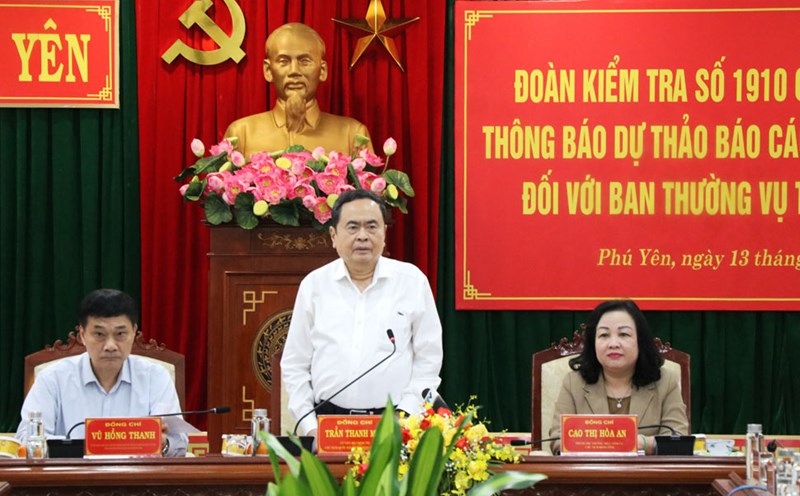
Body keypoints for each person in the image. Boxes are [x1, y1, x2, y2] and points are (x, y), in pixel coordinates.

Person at [281, 189, 443, 438]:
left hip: (394, 425)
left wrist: (405, 417)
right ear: (333, 236)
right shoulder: (314, 286)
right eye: (353, 227)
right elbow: (295, 364)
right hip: (328, 426)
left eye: (371, 226)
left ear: (384, 233)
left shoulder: (412, 282)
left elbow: (429, 360)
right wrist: (310, 426)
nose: (363, 236)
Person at [16, 289, 187, 456]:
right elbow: (27, 439)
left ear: (134, 332)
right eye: (99, 334)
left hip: (136, 474)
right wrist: (91, 447)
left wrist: (163, 444)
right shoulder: (52, 378)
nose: (110, 346)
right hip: (72, 474)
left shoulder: (155, 377)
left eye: (120, 334)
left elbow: (179, 442)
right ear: (82, 335)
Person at [549, 299, 688, 455]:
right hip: (591, 470)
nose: (613, 344)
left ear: (640, 341)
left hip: (646, 471)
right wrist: (616, 443)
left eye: (623, 334)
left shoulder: (665, 382)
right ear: (593, 342)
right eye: (604, 335)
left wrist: (641, 442)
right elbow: (557, 440)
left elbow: (678, 440)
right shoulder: (574, 383)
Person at [224, 22, 372, 157]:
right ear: (268, 70)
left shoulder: (353, 134)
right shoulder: (241, 134)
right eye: (284, 61)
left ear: (322, 71)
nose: (294, 71)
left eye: (305, 61)